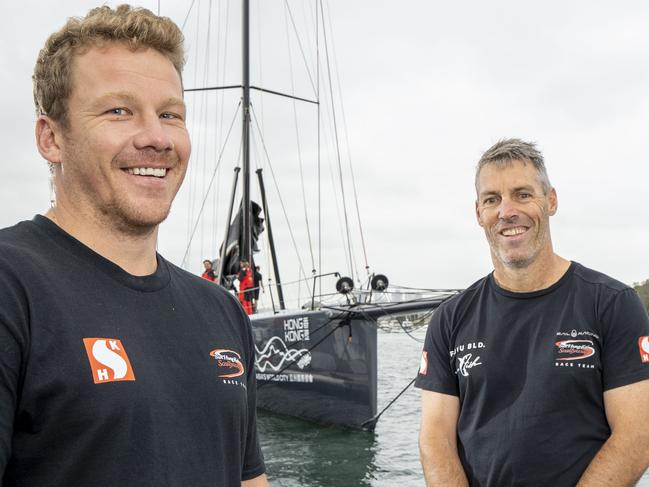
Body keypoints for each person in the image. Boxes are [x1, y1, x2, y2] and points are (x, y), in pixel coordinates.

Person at [0, 6, 267, 486]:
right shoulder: (11, 288)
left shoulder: (222, 311)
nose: (156, 138)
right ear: (51, 138)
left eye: (170, 114)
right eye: (118, 111)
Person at [416, 138, 649, 486]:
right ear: (478, 212)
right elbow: (435, 440)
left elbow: (638, 433)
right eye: (492, 199)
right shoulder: (450, 319)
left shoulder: (612, 303)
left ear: (550, 201)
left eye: (523, 194)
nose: (507, 211)